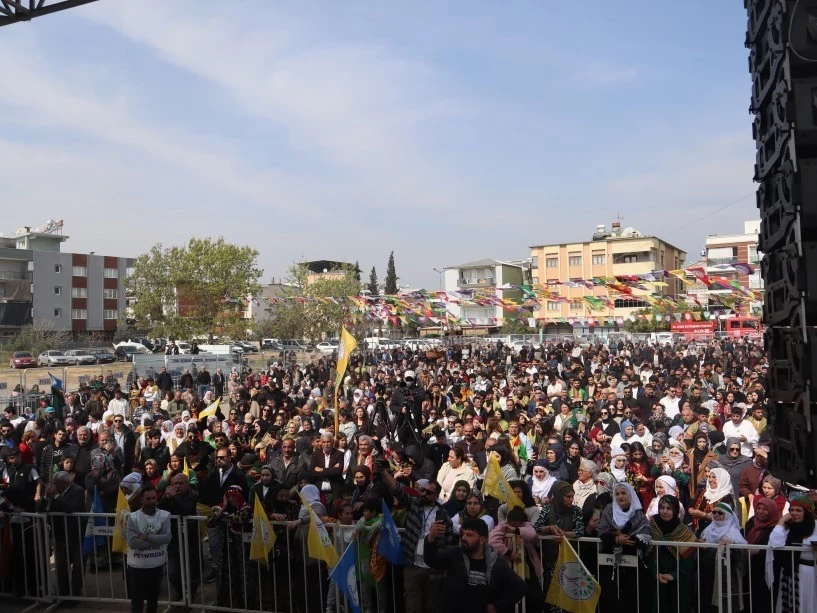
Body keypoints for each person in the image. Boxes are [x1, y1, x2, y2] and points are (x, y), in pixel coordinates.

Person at [378, 466, 453, 613]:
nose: (424, 494)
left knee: (431, 607)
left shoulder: (444, 517)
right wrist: (383, 472)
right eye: (423, 490)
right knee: (412, 607)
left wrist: (445, 567)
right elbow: (398, 490)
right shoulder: (414, 504)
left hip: (434, 569)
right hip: (413, 566)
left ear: (437, 496)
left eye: (429, 492)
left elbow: (448, 544)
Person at [425, 516, 526, 613]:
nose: (463, 538)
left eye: (469, 535)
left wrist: (497, 606)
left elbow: (520, 587)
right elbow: (432, 560)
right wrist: (430, 538)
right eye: (463, 534)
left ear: (482, 540)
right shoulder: (454, 554)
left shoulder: (496, 563)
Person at [597, 482, 652, 610]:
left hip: (632, 566)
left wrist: (625, 539)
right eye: (617, 494)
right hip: (610, 565)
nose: (620, 496)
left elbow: (645, 537)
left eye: (623, 493)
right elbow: (602, 532)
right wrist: (616, 539)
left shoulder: (638, 514)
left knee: (630, 601)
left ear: (631, 495)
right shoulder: (609, 510)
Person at [157, 472, 202, 608]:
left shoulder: (192, 496)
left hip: (190, 539)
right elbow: (160, 508)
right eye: (175, 483)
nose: (177, 486)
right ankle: (180, 592)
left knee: (191, 571)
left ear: (187, 485)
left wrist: (175, 497)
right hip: (174, 539)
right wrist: (166, 497)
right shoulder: (171, 496)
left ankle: (190, 597)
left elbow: (186, 509)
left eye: (180, 483)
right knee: (173, 572)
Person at [646, 495, 697, 613]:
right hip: (656, 580)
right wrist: (655, 572)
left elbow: (689, 561)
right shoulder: (650, 527)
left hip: (678, 583)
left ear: (675, 511)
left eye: (669, 508)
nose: (664, 511)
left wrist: (674, 575)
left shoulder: (683, 531)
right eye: (662, 508)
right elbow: (646, 554)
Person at [489, 506, 544, 613]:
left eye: (517, 524)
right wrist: (508, 552)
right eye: (511, 524)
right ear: (508, 521)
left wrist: (516, 530)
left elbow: (532, 534)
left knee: (535, 596)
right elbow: (492, 541)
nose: (513, 526)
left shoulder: (526, 525)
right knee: (509, 595)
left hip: (526, 565)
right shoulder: (502, 526)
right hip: (507, 566)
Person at [126, 485, 172, 613]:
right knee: (137, 604)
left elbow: (167, 538)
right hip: (137, 567)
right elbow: (133, 542)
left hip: (156, 565)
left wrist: (147, 537)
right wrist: (157, 537)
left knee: (153, 602)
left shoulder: (164, 515)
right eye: (148, 499)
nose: (152, 501)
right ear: (141, 500)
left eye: (154, 498)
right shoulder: (133, 517)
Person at [769, 495, 817, 613]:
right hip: (789, 574)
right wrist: (782, 521)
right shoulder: (788, 527)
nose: (794, 513)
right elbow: (775, 543)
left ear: (807, 512)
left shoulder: (815, 526)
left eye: (798, 510)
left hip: (809, 573)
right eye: (791, 510)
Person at [46, 471, 86, 606]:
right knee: (61, 566)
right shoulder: (54, 493)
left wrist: (57, 496)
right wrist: (46, 498)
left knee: (77, 566)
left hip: (75, 535)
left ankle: (75, 596)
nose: (53, 485)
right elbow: (42, 509)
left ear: (63, 483)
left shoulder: (78, 491)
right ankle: (63, 594)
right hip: (60, 535)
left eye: (55, 483)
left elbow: (71, 508)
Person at [700, 502, 747, 613]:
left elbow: (743, 554)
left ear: (728, 516)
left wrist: (732, 546)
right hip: (708, 574)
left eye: (720, 513)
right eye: (714, 512)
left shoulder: (733, 532)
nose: (716, 515)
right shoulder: (707, 530)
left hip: (727, 578)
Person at [744, 496, 780, 613]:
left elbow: (777, 548)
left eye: (765, 509)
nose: (760, 511)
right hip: (749, 569)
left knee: (763, 602)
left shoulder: (776, 528)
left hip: (765, 571)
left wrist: (759, 551)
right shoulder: (751, 522)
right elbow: (741, 536)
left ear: (772, 511)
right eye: (758, 508)